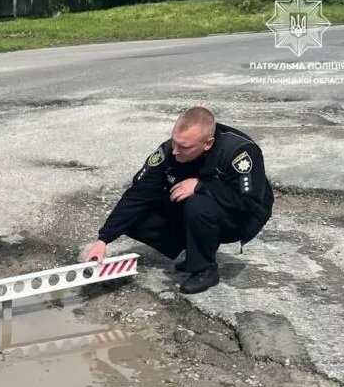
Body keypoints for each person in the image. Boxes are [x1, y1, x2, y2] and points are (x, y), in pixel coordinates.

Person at [84, 107, 274, 294]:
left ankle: (205, 270)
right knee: (137, 215)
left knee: (198, 203)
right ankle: (195, 250)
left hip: (243, 216)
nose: (175, 151)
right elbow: (138, 195)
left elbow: (249, 201)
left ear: (207, 144)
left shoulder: (239, 151)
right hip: (205, 209)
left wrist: (201, 186)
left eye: (184, 147)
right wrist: (103, 240)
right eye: (174, 142)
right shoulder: (169, 151)